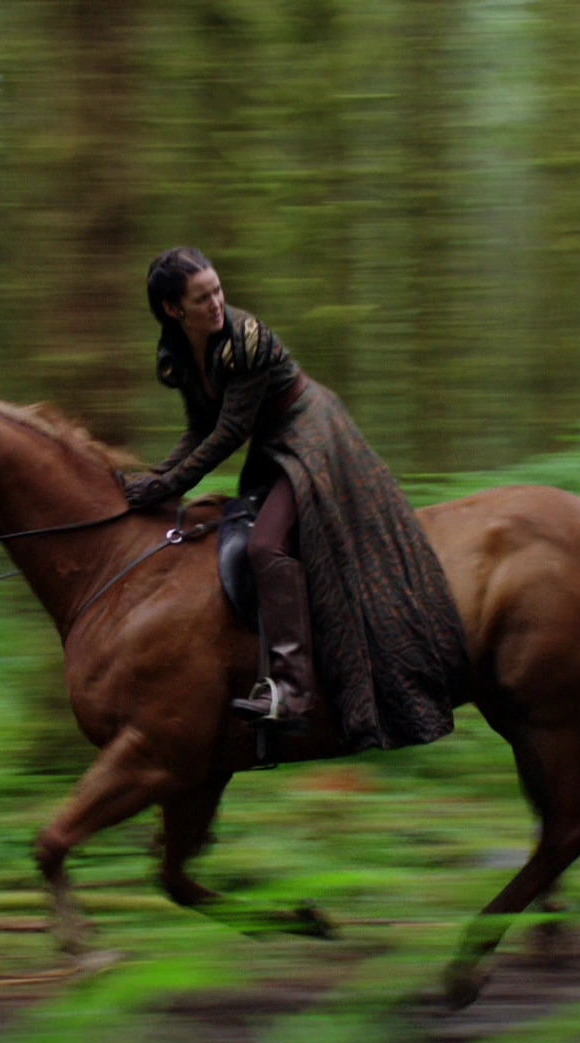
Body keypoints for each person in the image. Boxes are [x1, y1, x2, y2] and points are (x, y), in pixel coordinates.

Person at [124, 247, 467, 751]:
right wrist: (157, 476)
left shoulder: (247, 340)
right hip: (272, 445)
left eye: (217, 290)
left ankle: (292, 691)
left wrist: (165, 486)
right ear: (174, 310)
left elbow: (228, 434)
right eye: (202, 298)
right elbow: (199, 427)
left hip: (310, 436)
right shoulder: (177, 352)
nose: (217, 303)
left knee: (266, 546)